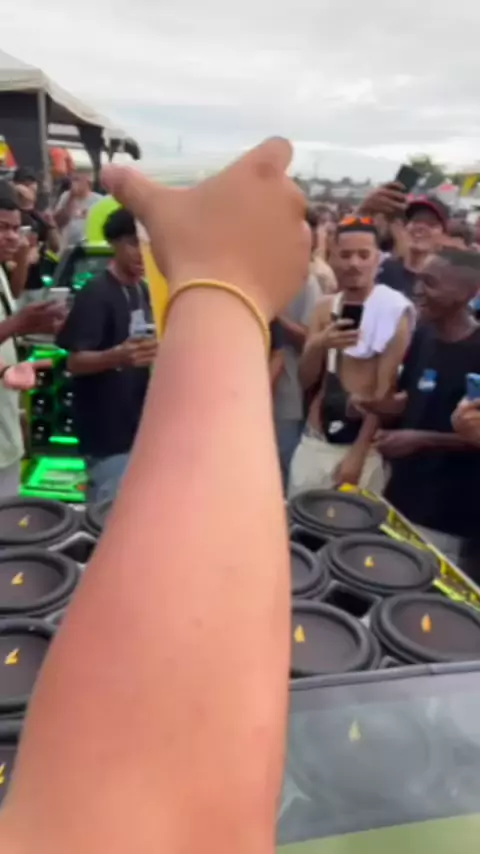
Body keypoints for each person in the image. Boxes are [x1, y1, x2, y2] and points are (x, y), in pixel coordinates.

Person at [0, 137, 308, 854]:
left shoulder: (141, 290)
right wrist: (224, 286)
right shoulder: (100, 293)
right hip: (113, 442)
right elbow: (158, 818)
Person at [372, 248, 480, 567]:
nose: (417, 289)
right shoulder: (423, 334)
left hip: (445, 516)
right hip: (400, 498)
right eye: (418, 279)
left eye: (430, 283)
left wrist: (421, 440)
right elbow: (411, 398)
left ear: (465, 294)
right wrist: (381, 408)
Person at [290, 217, 413, 495]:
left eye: (363, 255)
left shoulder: (393, 311)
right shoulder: (324, 308)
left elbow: (384, 391)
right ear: (332, 258)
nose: (354, 263)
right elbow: (306, 381)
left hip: (360, 446)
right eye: (345, 255)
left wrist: (358, 454)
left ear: (377, 259)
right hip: (316, 439)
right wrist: (319, 344)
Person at [56, 207, 157, 503]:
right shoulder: (96, 294)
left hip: (135, 427)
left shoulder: (142, 291)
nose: (142, 254)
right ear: (114, 243)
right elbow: (74, 362)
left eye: (147, 245)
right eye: (133, 243)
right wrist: (117, 357)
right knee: (107, 512)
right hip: (106, 433)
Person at [0, 189, 66, 495]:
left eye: (16, 228)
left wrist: (11, 369)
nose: (12, 237)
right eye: (3, 228)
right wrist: (17, 324)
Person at [378, 196, 448, 299]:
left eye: (431, 224)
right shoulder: (382, 270)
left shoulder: (446, 284)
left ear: (444, 236)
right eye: (416, 220)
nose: (421, 227)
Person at [11, 166, 60, 292]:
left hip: (38, 280)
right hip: (17, 281)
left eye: (31, 183)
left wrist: (51, 225)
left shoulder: (38, 216)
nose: (28, 187)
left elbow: (55, 247)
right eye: (24, 183)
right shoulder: (11, 215)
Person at [54, 166, 102, 251]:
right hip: (68, 249)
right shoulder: (66, 197)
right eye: (72, 180)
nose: (73, 183)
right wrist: (71, 198)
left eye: (77, 180)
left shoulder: (99, 200)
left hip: (91, 248)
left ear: (88, 181)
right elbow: (58, 223)